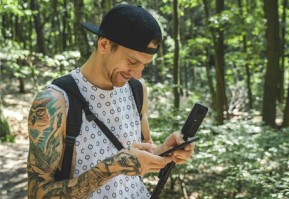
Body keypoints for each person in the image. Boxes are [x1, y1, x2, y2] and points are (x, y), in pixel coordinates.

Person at [27, 4, 194, 198]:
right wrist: (111, 168)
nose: (137, 74)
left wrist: (164, 151)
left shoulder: (137, 90)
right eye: (132, 62)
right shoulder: (54, 102)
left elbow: (141, 151)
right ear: (104, 45)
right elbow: (37, 193)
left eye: (144, 65)